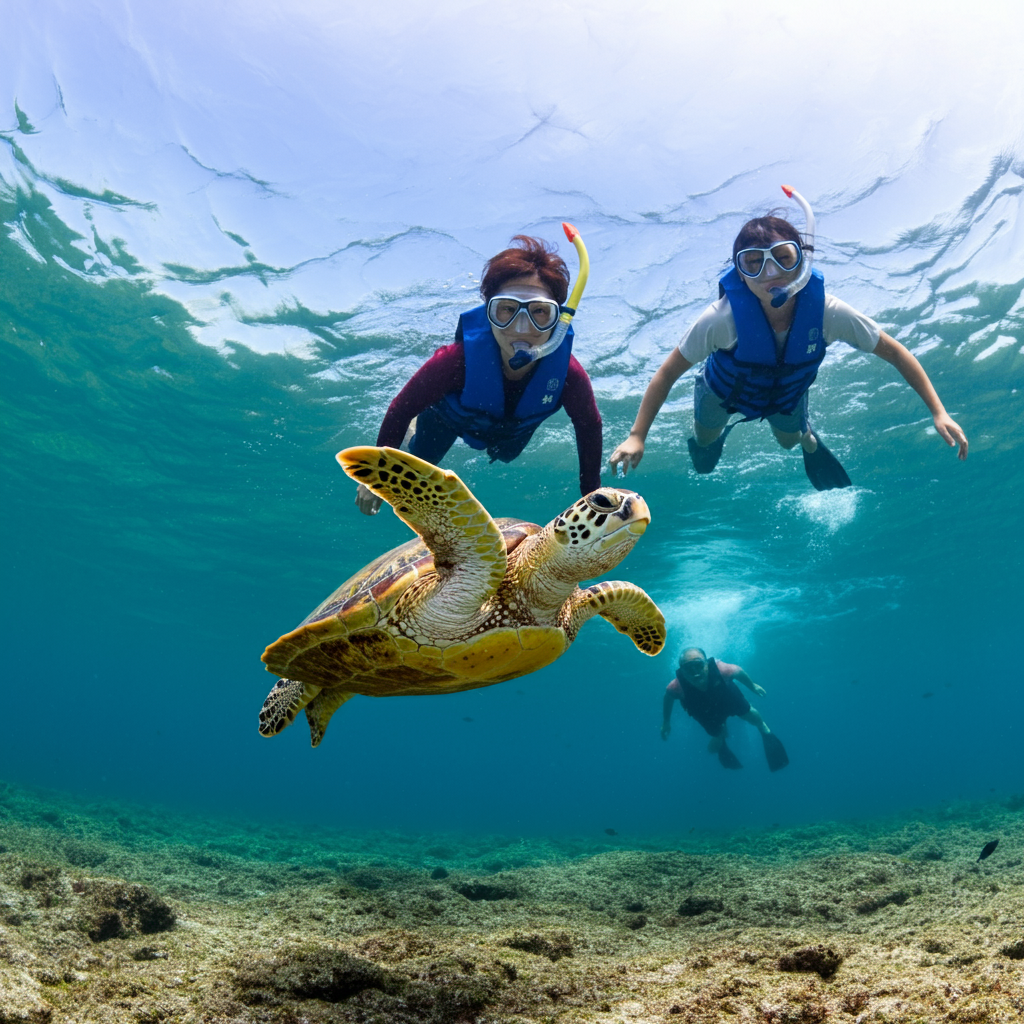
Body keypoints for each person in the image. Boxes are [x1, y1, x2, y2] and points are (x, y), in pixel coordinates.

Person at [609, 189, 968, 489]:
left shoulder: (830, 312)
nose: (770, 273)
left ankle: (807, 437)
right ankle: (716, 443)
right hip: (720, 393)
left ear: (803, 262)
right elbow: (666, 374)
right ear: (740, 273)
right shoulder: (721, 319)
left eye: (783, 258)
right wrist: (637, 435)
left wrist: (938, 411)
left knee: (787, 444)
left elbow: (895, 352)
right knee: (704, 441)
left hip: (787, 396)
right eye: (753, 263)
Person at [356, 235, 602, 515]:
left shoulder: (569, 375)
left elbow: (589, 426)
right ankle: (416, 431)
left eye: (540, 313)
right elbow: (401, 408)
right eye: (507, 310)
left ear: (559, 320)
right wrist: (379, 473)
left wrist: (591, 496)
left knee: (506, 455)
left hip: (512, 430)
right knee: (419, 464)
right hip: (445, 419)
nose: (522, 328)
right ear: (488, 313)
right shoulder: (452, 362)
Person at [662, 648, 789, 771]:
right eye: (688, 668)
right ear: (681, 671)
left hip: (726, 697)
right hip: (702, 708)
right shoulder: (675, 687)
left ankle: (764, 729)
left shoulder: (722, 669)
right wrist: (666, 722)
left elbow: (739, 672)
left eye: (698, 665)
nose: (695, 672)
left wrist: (753, 686)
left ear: (706, 664)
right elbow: (668, 699)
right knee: (716, 737)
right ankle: (720, 737)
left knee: (749, 714)